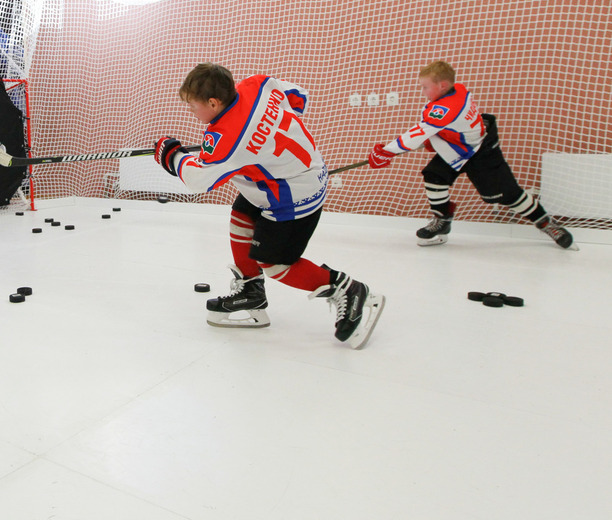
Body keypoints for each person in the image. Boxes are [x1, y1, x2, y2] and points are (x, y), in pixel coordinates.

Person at [154, 63, 385, 349]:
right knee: (241, 213)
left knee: (275, 264)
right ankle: (251, 290)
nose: (191, 112)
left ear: (214, 103)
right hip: (296, 174)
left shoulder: (227, 137)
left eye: (193, 106)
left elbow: (198, 180)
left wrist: (171, 157)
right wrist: (266, 138)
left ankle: (347, 288)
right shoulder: (257, 84)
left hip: (291, 196)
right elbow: (298, 96)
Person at [367, 60, 575, 249]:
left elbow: (418, 132)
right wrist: (436, 140)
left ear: (442, 86)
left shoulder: (447, 107)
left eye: (425, 87)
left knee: (508, 194)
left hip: (481, 151)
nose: (423, 91)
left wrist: (386, 151)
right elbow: (441, 128)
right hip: (457, 147)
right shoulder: (457, 89)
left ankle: (546, 222)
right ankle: (443, 220)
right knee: (434, 175)